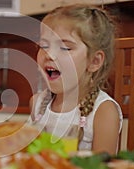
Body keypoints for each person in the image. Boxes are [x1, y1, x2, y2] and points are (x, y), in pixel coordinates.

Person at [29, 4, 123, 154]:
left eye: (65, 48)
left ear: (94, 61)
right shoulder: (37, 104)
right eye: (44, 45)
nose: (49, 55)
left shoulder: (103, 112)